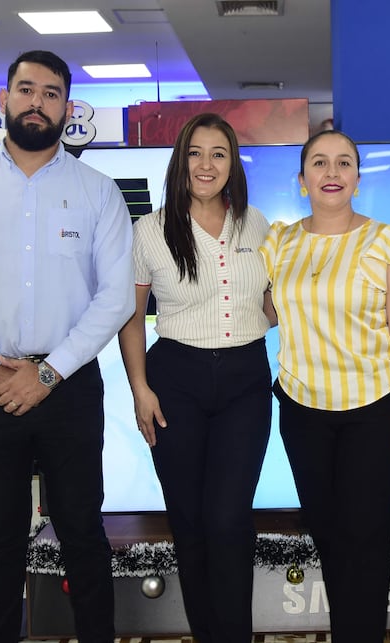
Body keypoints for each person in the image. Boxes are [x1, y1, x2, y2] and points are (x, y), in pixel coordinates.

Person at [0, 50, 135, 643]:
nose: (37, 102)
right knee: (1, 539)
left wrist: (47, 374)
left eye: (51, 93)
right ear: (3, 101)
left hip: (69, 387)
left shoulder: (97, 193)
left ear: (68, 107)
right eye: (26, 89)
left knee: (83, 533)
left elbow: (115, 299)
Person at [260, 129, 390, 643]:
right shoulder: (279, 242)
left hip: (373, 410)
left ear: (357, 177)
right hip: (302, 410)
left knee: (367, 539)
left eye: (343, 163)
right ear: (302, 178)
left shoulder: (388, 243)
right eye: (319, 163)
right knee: (328, 535)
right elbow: (263, 310)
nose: (331, 173)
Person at [118, 112, 274, 643]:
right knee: (189, 520)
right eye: (195, 153)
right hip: (175, 379)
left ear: (233, 164)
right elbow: (132, 317)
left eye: (218, 154)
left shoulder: (258, 226)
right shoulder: (150, 230)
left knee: (229, 519)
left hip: (245, 381)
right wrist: (141, 390)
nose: (206, 165)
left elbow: (274, 304)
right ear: (180, 161)